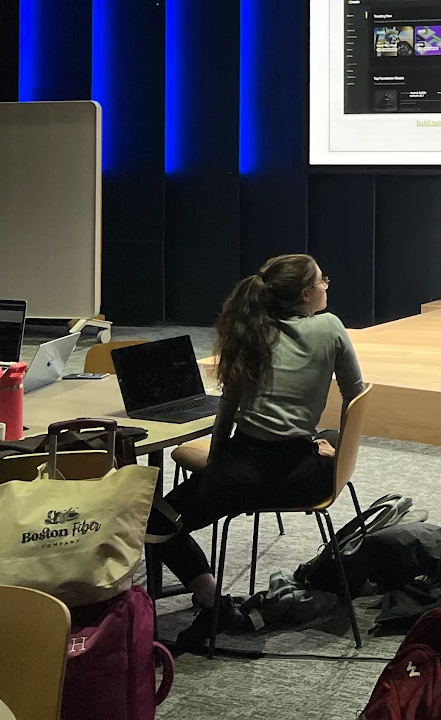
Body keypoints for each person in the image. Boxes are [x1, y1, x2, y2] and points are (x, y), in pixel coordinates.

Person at [144, 254, 365, 651]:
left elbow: (226, 413)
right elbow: (356, 397)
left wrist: (217, 466)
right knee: (329, 434)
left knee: (152, 522)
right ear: (305, 294)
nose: (326, 286)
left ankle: (211, 600)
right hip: (302, 480)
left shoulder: (250, 332)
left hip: (241, 475)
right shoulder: (331, 327)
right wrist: (340, 452)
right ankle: (322, 448)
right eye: (322, 281)